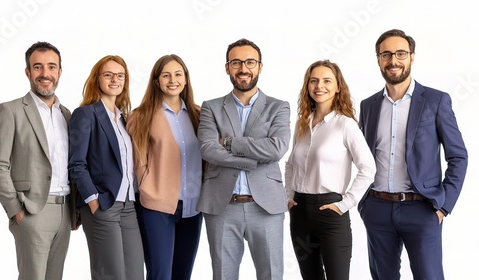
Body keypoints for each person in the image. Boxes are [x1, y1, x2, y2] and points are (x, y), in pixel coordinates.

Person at [358, 29, 468, 280]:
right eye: (386, 54)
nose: (393, 60)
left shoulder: (435, 101)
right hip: (377, 208)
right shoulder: (368, 105)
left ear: (412, 57)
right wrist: (363, 203)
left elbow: (458, 156)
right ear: (378, 59)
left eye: (400, 53)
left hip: (422, 209)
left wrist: (443, 205)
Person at [197, 38, 291, 280]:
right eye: (236, 62)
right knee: (223, 275)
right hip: (222, 206)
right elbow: (208, 149)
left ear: (260, 66)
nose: (243, 68)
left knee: (271, 274)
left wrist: (229, 143)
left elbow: (276, 149)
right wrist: (252, 160)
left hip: (266, 207)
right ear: (227, 67)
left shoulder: (278, 107)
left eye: (250, 62)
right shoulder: (211, 107)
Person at [0, 41, 78, 280]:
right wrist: (16, 210)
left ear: (60, 71)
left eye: (51, 67)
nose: (45, 74)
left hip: (65, 211)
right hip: (32, 210)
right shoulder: (10, 110)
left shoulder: (66, 115)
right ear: (28, 72)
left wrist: (74, 211)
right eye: (38, 67)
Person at [285, 60, 376, 280]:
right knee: (310, 276)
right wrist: (288, 196)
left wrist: (345, 203)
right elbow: (290, 165)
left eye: (327, 81)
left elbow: (368, 168)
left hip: (331, 214)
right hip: (300, 213)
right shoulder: (302, 124)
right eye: (313, 80)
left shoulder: (346, 125)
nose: (319, 86)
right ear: (307, 86)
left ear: (338, 87)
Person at [126, 54, 203, 280]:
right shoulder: (140, 117)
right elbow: (133, 162)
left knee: (183, 274)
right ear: (156, 81)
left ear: (186, 79)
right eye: (166, 75)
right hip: (157, 208)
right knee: (160, 275)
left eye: (178, 74)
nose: (173, 80)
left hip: (193, 207)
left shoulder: (200, 115)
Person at [68, 55, 144, 280]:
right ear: (97, 79)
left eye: (120, 75)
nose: (115, 79)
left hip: (129, 205)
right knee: (111, 275)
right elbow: (76, 163)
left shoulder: (123, 119)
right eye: (108, 74)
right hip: (103, 204)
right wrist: (93, 199)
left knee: (135, 274)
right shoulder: (85, 114)